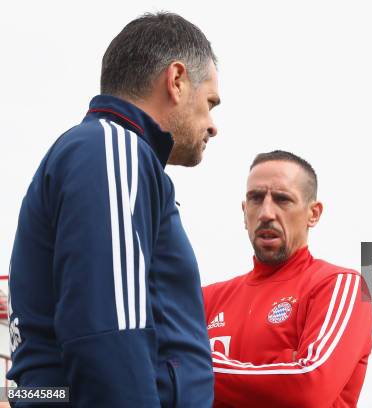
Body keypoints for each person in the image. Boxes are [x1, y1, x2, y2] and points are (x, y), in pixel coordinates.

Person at [7, 12, 220, 407]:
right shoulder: (112, 149)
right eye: (210, 103)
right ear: (176, 80)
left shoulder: (104, 155)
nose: (212, 125)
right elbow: (109, 330)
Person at [203, 151, 372, 408]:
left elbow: (309, 388)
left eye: (282, 199)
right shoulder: (204, 299)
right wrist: (281, 368)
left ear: (313, 213)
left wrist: (193, 368)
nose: (266, 213)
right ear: (244, 210)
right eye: (256, 199)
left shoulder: (339, 284)